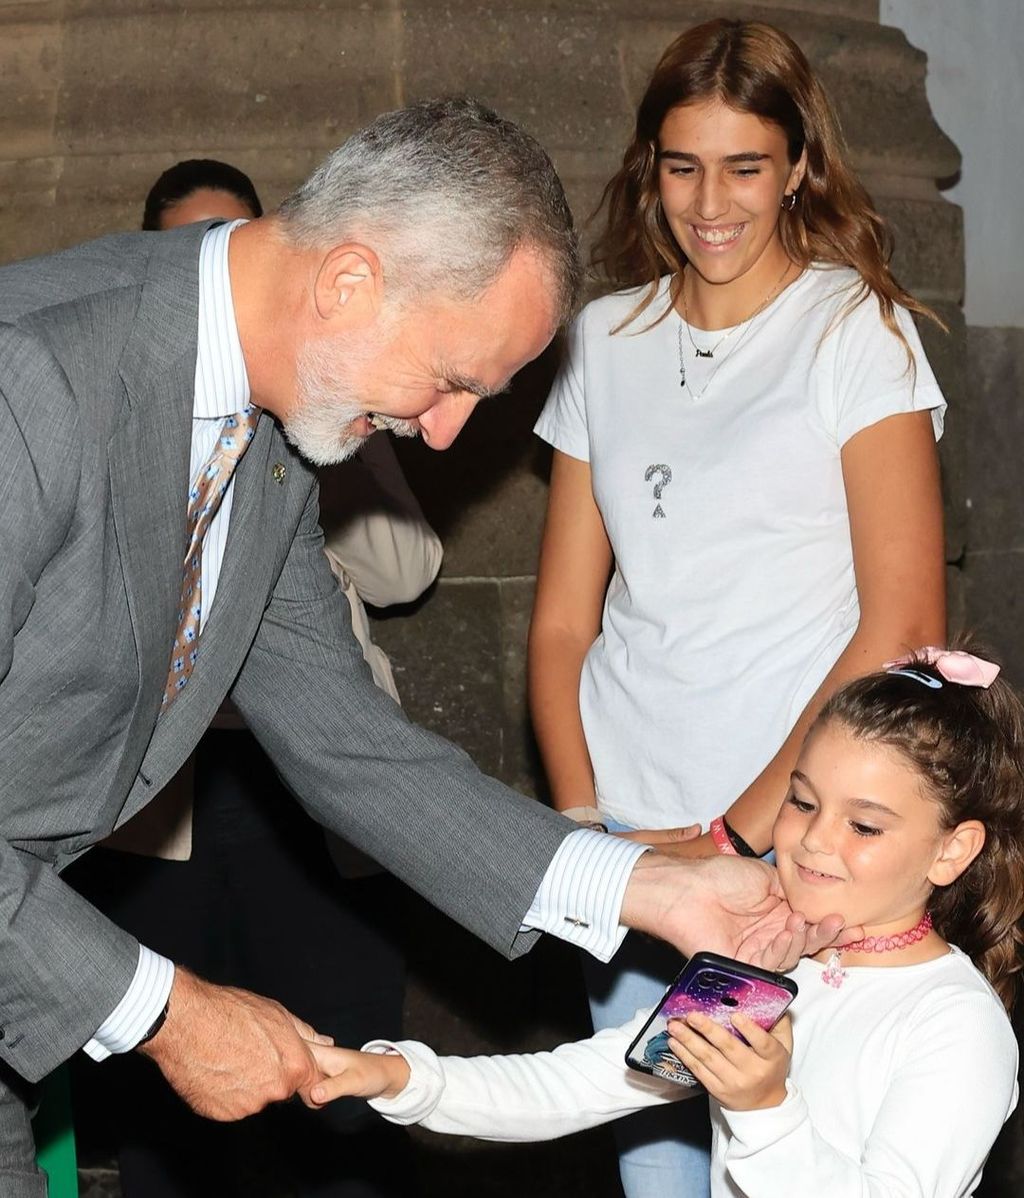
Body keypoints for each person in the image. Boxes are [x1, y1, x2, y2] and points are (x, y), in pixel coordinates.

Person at [0, 97, 848, 1195]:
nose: (443, 432)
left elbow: (350, 742)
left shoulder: (269, 422)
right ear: (349, 281)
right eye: (454, 379)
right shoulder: (29, 380)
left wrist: (650, 888)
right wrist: (156, 1008)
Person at [526, 18, 947, 1194]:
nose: (709, 202)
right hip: (632, 850)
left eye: (745, 166)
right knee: (656, 1173)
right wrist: (584, 827)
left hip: (794, 853)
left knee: (788, 1165)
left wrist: (741, 832)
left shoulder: (853, 330)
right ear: (648, 167)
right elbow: (563, 622)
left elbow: (902, 620)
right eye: (681, 164)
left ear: (799, 165)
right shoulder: (600, 341)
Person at [310, 646, 1023, 1198]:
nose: (812, 841)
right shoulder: (771, 968)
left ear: (952, 850)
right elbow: (585, 1084)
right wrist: (403, 1078)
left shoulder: (954, 1024)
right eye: (802, 802)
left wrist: (765, 1108)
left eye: (864, 825)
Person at [66, 160, 443, 1197]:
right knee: (170, 1104)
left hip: (301, 789)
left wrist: (334, 425)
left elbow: (405, 569)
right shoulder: (90, 399)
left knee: (341, 1082)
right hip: (159, 792)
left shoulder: (332, 408)